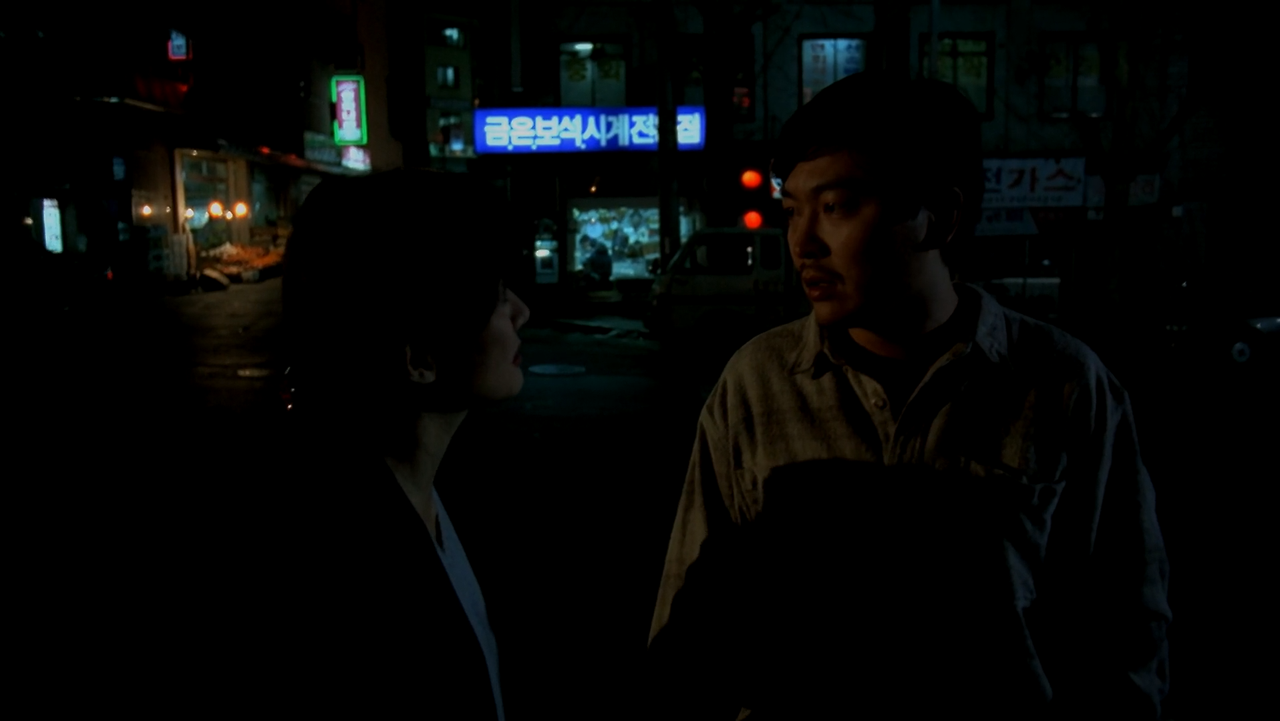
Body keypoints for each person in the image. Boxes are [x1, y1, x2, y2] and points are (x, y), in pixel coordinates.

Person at [645, 72, 1171, 719]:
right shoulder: (756, 383)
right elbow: (686, 629)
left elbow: (1128, 629)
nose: (803, 243)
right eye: (792, 211)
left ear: (941, 217)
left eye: (837, 206)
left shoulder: (1064, 385)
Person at [255, 169, 531, 718]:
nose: (521, 311)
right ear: (419, 358)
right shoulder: (343, 569)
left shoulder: (437, 491)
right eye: (495, 296)